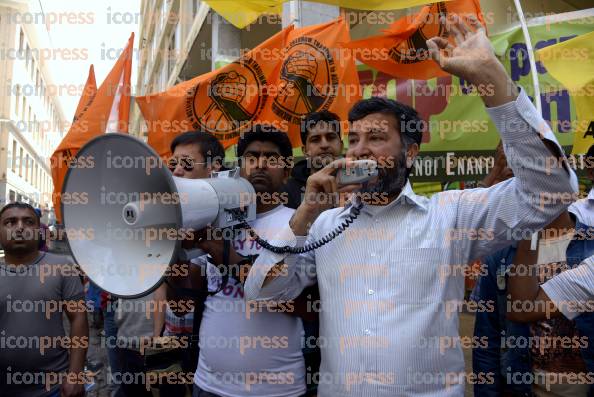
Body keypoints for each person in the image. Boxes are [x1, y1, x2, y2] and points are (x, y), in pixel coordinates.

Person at [243, 14, 578, 396]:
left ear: (411, 153)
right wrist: (304, 215)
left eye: (377, 138)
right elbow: (262, 294)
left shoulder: (450, 215)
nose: (359, 150)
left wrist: (490, 76)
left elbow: (551, 190)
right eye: (353, 140)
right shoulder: (323, 225)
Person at [170, 125, 306, 397]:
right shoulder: (213, 218)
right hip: (208, 382)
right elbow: (183, 300)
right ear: (239, 168)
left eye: (271, 158)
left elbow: (296, 302)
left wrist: (214, 246)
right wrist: (170, 252)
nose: (260, 165)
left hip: (275, 390)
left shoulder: (301, 225)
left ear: (287, 171)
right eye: (251, 157)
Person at [0, 202, 88, 397]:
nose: (20, 227)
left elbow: (78, 319)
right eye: (10, 222)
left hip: (53, 388)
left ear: (38, 230)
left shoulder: (61, 267)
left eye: (28, 221)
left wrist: (75, 375)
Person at [283, 110, 344, 209]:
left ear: (341, 146)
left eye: (331, 137)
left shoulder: (358, 183)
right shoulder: (287, 191)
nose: (324, 145)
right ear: (305, 150)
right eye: (315, 139)